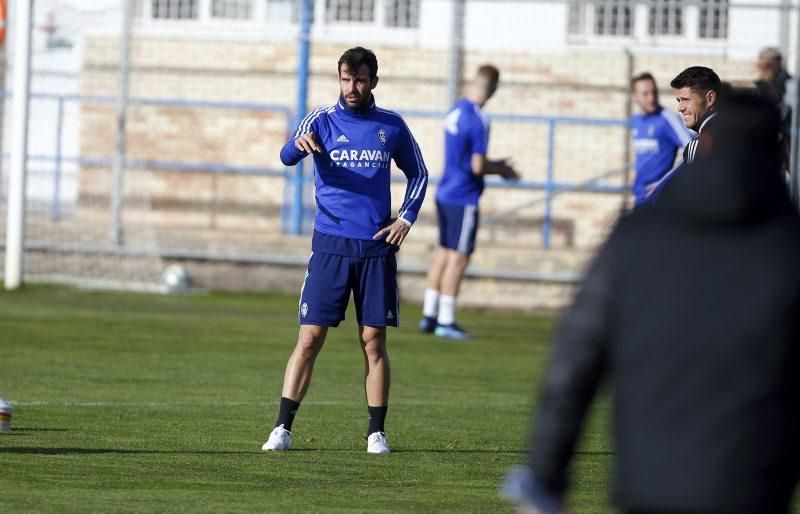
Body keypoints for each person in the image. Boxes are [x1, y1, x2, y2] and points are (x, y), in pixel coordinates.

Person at [501, 94, 800, 513]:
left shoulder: (637, 238)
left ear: (707, 147)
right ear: (778, 153)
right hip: (754, 484)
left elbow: (573, 363)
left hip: (650, 479)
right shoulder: (788, 246)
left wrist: (546, 476)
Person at [262, 47, 429, 454]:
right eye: (345, 79)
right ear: (338, 79)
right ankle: (282, 428)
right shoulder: (320, 119)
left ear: (373, 81)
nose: (351, 87)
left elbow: (419, 173)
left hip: (375, 249)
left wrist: (405, 218)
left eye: (359, 80)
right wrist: (298, 145)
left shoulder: (391, 125)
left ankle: (376, 433)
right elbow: (286, 157)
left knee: (373, 341)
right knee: (309, 338)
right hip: (330, 246)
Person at [419, 65, 519, 340]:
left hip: (445, 192)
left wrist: (495, 164)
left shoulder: (456, 110)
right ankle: (446, 321)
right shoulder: (479, 119)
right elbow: (476, 166)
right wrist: (501, 170)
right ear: (494, 88)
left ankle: (429, 315)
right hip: (463, 196)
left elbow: (464, 158)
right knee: (459, 257)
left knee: (443, 252)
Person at [645, 66, 722, 199]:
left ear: (710, 99)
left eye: (686, 99)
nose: (680, 108)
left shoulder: (698, 146)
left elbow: (695, 200)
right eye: (679, 101)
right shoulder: (743, 133)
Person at [628, 72, 693, 206]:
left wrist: (662, 182)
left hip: (659, 198)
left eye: (654, 92)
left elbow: (694, 150)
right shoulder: (636, 121)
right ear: (634, 96)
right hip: (640, 196)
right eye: (645, 94)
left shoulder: (667, 118)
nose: (651, 98)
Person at [755, 47, 793, 173]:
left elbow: (783, 106)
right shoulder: (760, 84)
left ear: (779, 62)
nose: (766, 67)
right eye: (763, 63)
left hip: (787, 132)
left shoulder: (788, 82)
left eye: (770, 63)